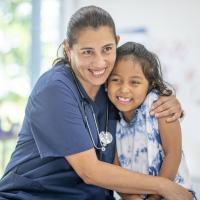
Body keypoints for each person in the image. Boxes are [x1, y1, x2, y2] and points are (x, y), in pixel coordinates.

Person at [0, 5, 191, 200]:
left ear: (116, 43)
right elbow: (90, 171)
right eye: (87, 52)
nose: (99, 62)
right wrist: (163, 186)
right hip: (33, 195)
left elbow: (144, 108)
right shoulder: (55, 89)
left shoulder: (110, 89)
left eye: (107, 49)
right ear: (68, 48)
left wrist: (170, 102)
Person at [107, 42, 197, 200]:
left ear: (150, 84)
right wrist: (130, 197)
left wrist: (155, 197)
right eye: (116, 80)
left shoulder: (159, 106)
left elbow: (173, 153)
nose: (124, 89)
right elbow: (115, 167)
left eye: (134, 82)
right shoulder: (110, 118)